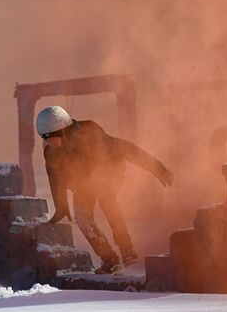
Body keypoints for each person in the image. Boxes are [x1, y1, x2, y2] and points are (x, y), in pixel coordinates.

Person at [36, 106, 173, 274]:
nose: (49, 142)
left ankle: (127, 251)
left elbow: (126, 148)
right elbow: (55, 178)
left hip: (109, 171)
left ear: (63, 130)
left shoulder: (90, 134)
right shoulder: (50, 151)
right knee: (82, 217)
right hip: (82, 183)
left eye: (52, 138)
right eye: (45, 138)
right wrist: (61, 206)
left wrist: (158, 169)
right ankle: (110, 260)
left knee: (108, 201)